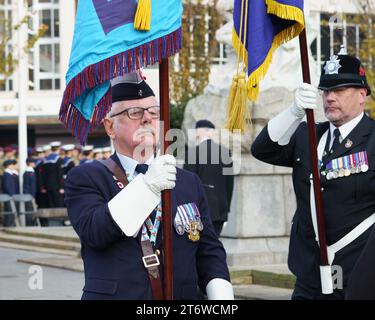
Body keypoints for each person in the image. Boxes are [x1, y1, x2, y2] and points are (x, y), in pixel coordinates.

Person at [64, 71, 233, 300]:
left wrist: (221, 295)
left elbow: (208, 250)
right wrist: (147, 186)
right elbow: (96, 231)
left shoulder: (186, 181)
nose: (147, 118)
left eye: (153, 112)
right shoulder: (87, 177)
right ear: (110, 126)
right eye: (134, 112)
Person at [251, 53, 375, 300]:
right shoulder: (308, 135)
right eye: (325, 90)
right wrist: (293, 111)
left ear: (362, 95)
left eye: (339, 90)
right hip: (309, 276)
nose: (329, 97)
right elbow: (262, 149)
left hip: (358, 277)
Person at [184, 120, 234, 237]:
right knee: (214, 247)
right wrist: (226, 211)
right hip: (219, 211)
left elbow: (187, 186)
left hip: (197, 212)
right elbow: (229, 185)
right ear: (211, 133)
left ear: (197, 133)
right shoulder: (225, 153)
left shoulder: (192, 153)